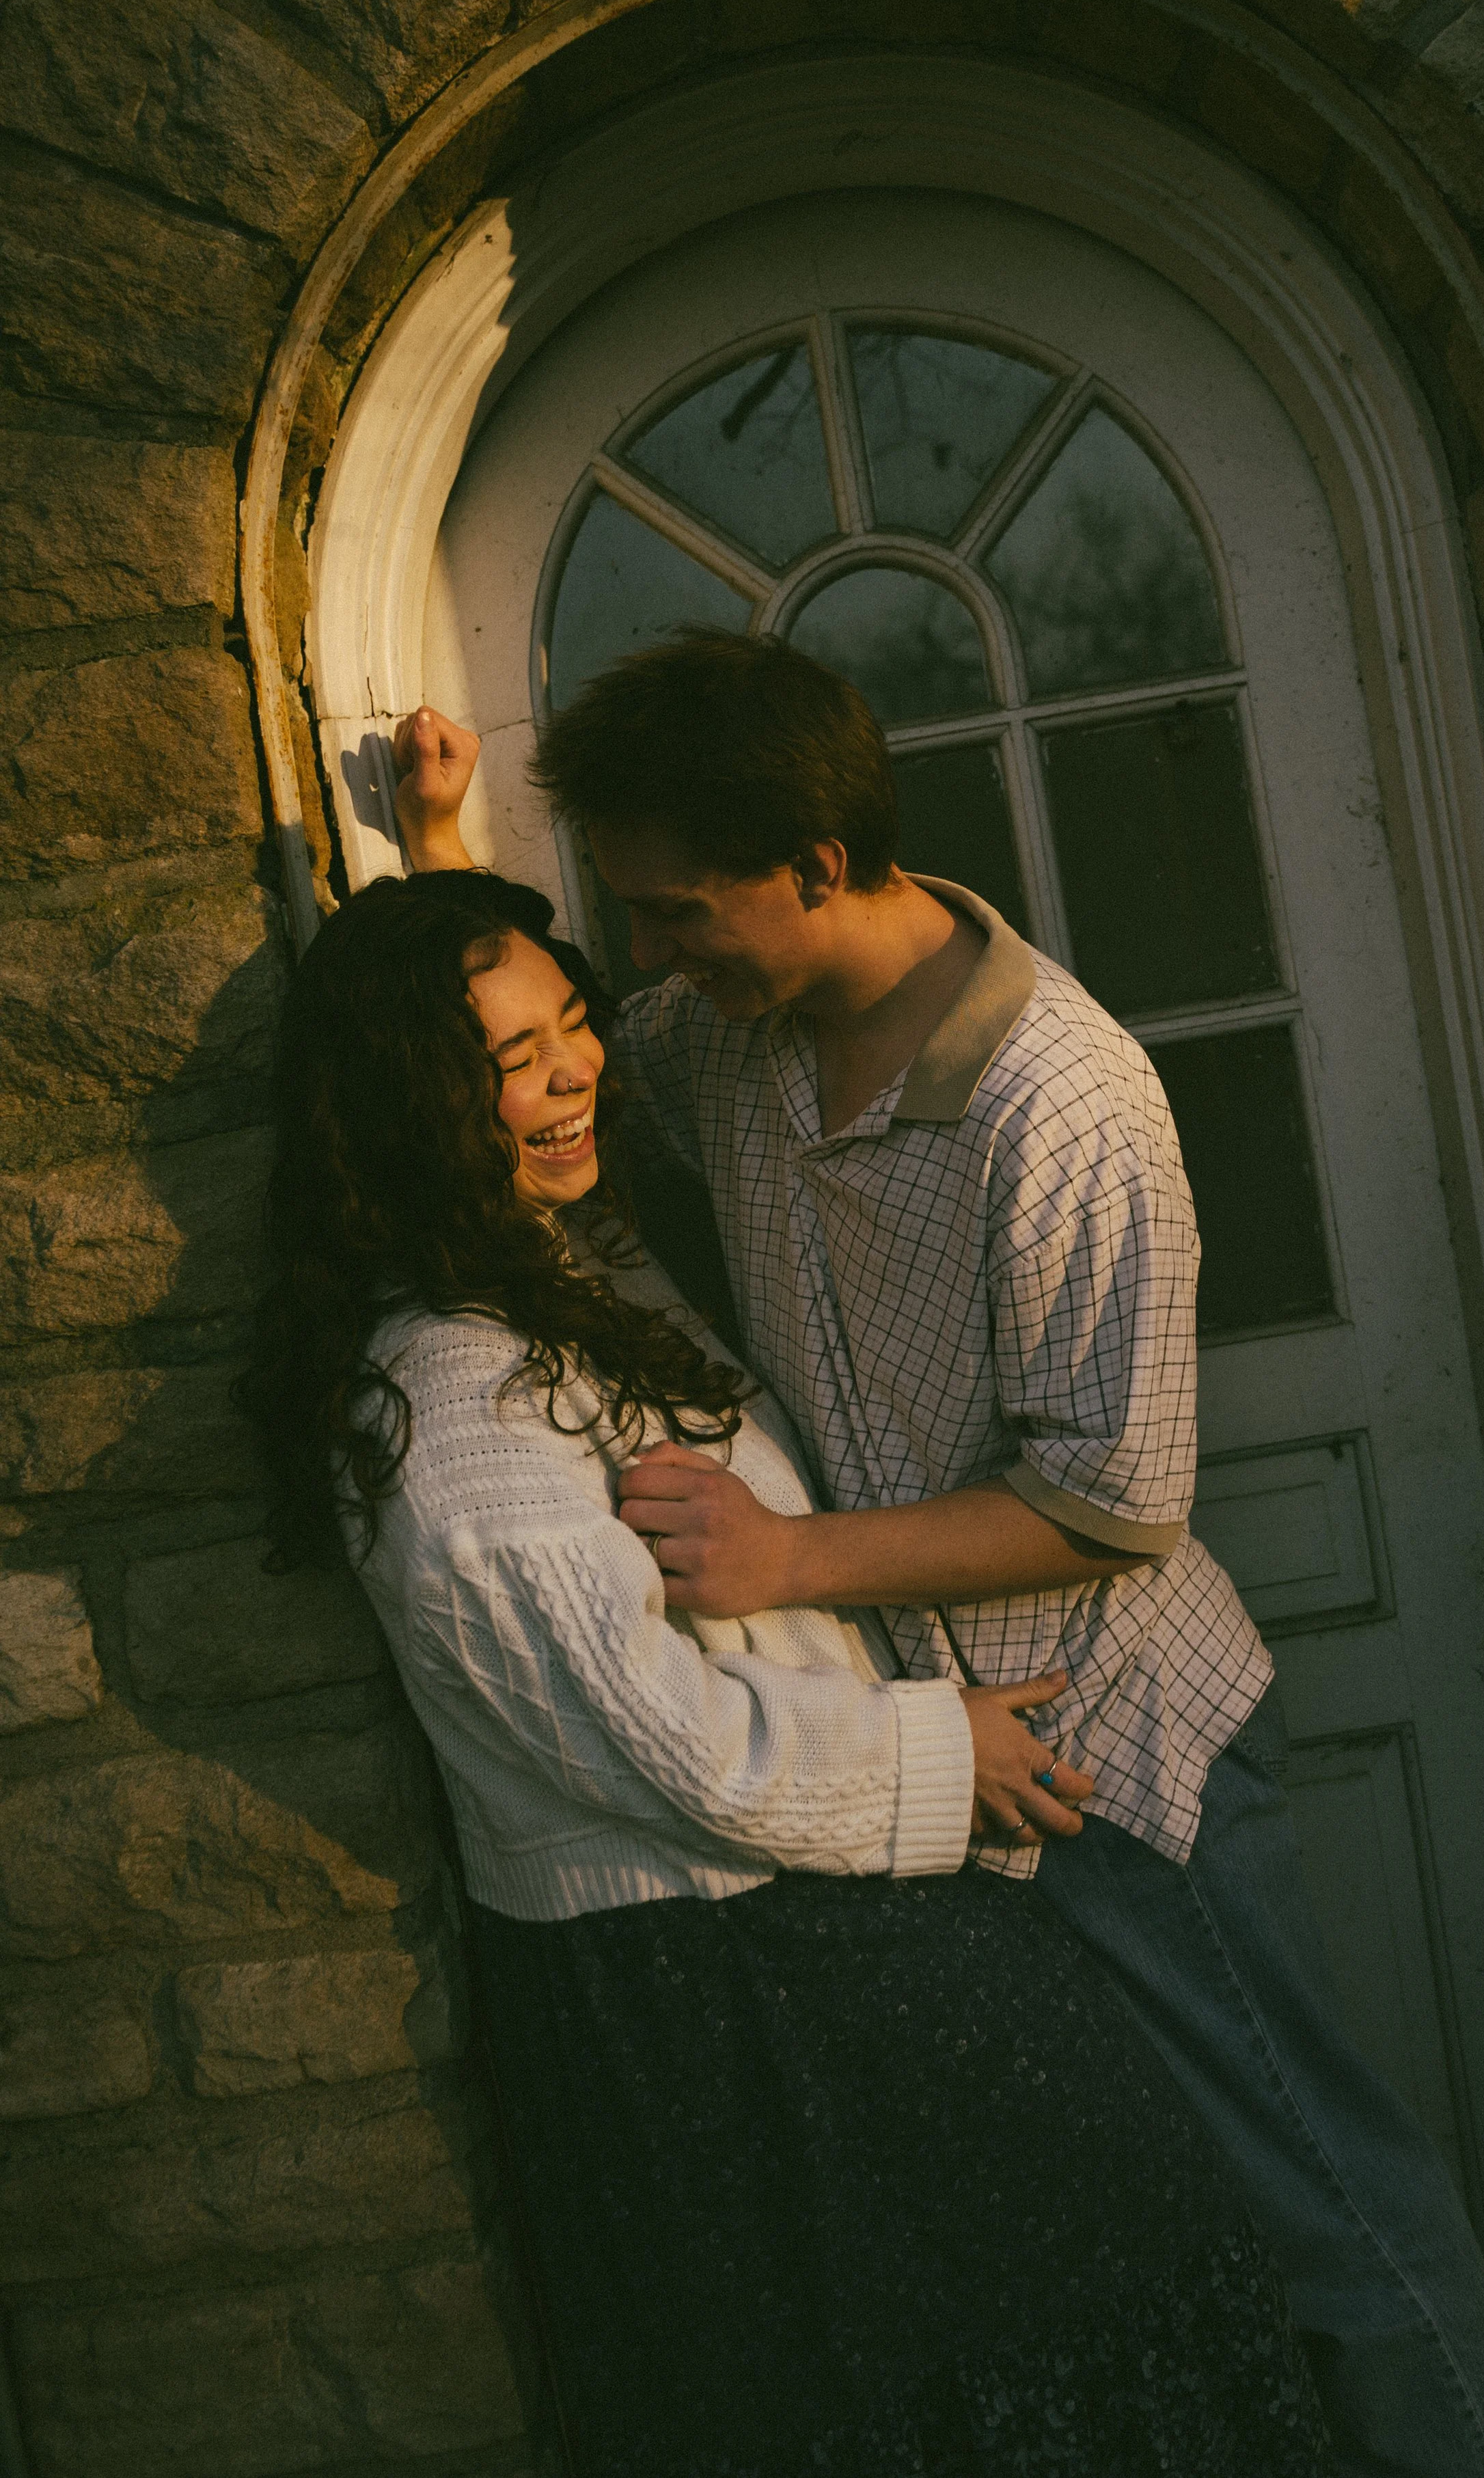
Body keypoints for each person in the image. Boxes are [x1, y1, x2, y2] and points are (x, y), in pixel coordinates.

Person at [394, 636, 1484, 2478]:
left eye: (676, 911)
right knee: (1148, 2270)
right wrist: (435, 845)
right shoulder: (729, 1030)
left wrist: (782, 1558)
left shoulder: (1061, 1101)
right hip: (949, 1779)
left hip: (1115, 1765)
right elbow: (488, 1068)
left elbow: (1113, 1498)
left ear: (816, 861)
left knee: (1333, 2219)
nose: (646, 966)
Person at [241, 866, 1328, 2478]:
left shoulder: (553, 1265)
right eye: (502, 1064)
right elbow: (661, 1746)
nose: (567, 1071)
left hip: (803, 1917)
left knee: (1125, 2282)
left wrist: (439, 841)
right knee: (990, 2360)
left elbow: (459, 1041)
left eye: (567, 1025)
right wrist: (942, 1755)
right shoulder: (454, 1420)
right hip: (714, 1989)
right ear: (411, 1104)